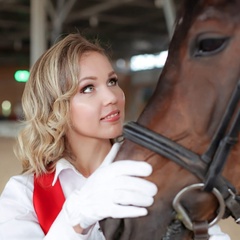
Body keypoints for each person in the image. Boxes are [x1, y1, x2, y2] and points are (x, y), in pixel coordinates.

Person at [0, 33, 230, 240]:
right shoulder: (25, 195)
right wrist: (75, 219)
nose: (112, 96)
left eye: (112, 81)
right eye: (88, 88)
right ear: (53, 106)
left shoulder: (160, 173)